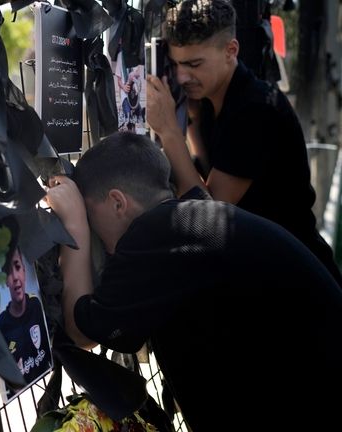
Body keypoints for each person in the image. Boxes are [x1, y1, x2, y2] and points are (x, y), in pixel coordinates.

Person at [46, 132, 342, 431]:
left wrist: (75, 228)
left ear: (117, 203)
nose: (101, 242)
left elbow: (83, 330)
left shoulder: (153, 233)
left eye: (91, 216)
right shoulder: (189, 219)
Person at [146, 0, 342, 285]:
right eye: (176, 64)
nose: (182, 76)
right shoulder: (214, 102)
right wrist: (193, 123)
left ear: (231, 51)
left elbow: (209, 213)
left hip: (297, 284)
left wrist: (169, 132)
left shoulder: (255, 109)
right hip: (269, 270)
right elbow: (208, 174)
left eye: (194, 64)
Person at [0, 247, 52, 388]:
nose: (15, 277)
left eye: (17, 267)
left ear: (24, 271)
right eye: (9, 272)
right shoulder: (2, 324)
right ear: (5, 281)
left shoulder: (36, 305)